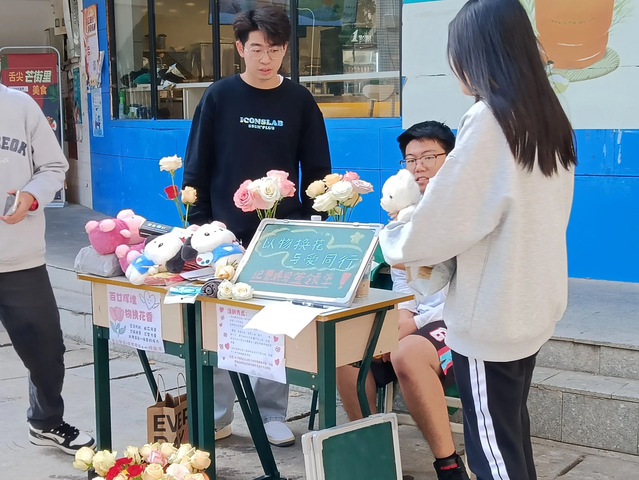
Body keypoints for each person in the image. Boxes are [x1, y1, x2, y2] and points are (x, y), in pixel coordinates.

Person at [380, 0, 577, 478]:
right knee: (510, 439)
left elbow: (445, 221)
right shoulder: (547, 115)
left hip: (492, 314)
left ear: (477, 53)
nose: (453, 64)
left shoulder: (490, 119)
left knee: (493, 453)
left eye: (456, 51)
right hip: (530, 303)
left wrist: (396, 237)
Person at [182, 5, 332, 447]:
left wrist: (312, 221)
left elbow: (317, 169)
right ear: (240, 48)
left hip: (280, 236)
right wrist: (199, 225)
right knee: (220, 324)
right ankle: (217, 415)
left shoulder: (300, 101)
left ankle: (270, 414)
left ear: (286, 50)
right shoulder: (219, 97)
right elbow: (197, 163)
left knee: (273, 325)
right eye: (257, 49)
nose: (266, 59)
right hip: (222, 235)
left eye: (275, 49)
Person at [336, 121, 470, 480]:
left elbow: (462, 285)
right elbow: (403, 281)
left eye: (429, 157)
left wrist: (412, 325)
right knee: (345, 353)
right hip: (419, 317)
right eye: (411, 160)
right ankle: (374, 458)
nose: (419, 167)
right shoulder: (402, 215)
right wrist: (401, 317)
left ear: (450, 158)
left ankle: (448, 465)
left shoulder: (464, 211)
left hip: (457, 319)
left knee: (405, 352)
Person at [0, 82, 96, 455]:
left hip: (19, 258)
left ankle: (46, 423)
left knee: (46, 350)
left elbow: (54, 166)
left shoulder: (19, 105)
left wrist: (30, 196)